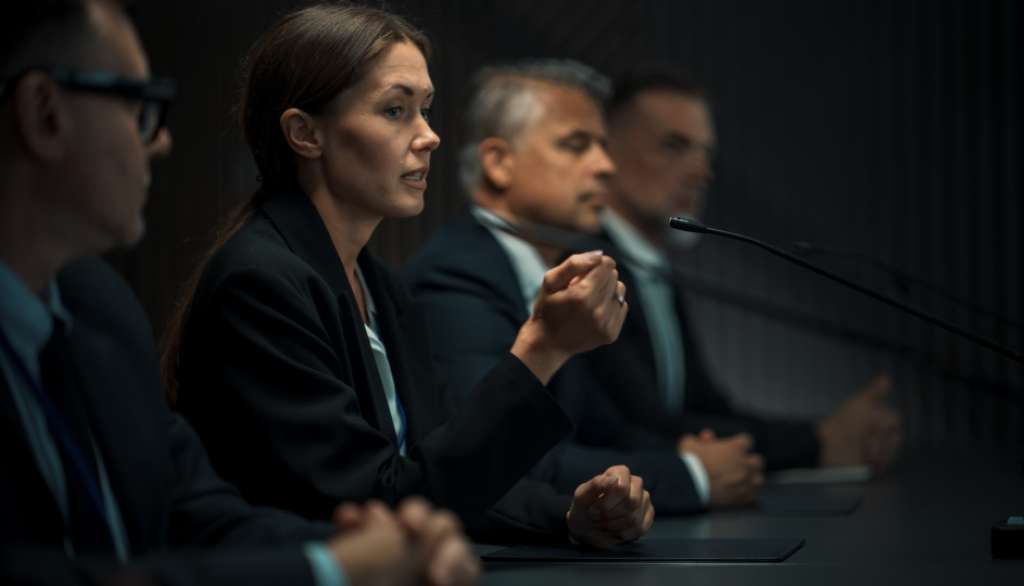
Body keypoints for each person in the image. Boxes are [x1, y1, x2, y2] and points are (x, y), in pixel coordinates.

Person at [0, 1, 478, 586]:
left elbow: (197, 513)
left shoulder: (95, 303)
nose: (161, 142)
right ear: (45, 113)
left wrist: (384, 552)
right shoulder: (258, 278)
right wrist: (334, 565)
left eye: (424, 110)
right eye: (137, 106)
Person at [163, 3, 653, 547]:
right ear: (305, 133)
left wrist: (566, 515)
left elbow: (433, 470)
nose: (430, 136)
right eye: (396, 111)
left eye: (426, 109)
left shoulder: (379, 284)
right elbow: (381, 504)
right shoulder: (259, 284)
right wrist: (541, 350)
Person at [405, 60, 765, 512]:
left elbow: (602, 429)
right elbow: (497, 464)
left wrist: (686, 454)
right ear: (498, 163)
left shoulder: (548, 271)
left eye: (603, 146)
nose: (605, 166)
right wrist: (691, 475)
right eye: (577, 146)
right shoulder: (456, 276)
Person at [592, 66, 903, 471]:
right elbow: (643, 429)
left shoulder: (654, 271)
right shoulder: (586, 266)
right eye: (674, 146)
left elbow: (707, 411)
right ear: (606, 153)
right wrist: (817, 442)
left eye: (705, 152)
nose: (702, 173)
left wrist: (824, 434)